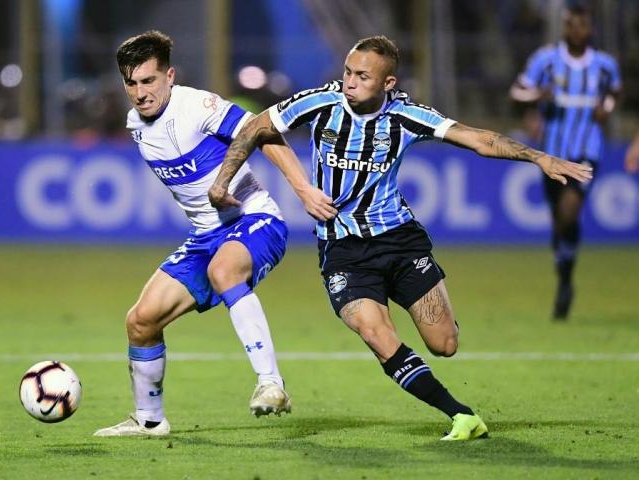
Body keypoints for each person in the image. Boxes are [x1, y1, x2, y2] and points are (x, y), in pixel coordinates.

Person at [208, 35, 592, 440]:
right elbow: (256, 127)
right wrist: (232, 183)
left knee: (444, 344)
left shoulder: (407, 116)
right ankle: (461, 415)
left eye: (362, 76)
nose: (350, 82)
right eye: (347, 72)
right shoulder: (321, 102)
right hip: (343, 250)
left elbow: (478, 138)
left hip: (400, 242)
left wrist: (538, 157)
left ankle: (420, 298)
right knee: (375, 331)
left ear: (388, 83)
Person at [93, 30, 307, 437]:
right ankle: (149, 420)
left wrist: (302, 189)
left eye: (149, 80)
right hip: (206, 236)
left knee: (224, 272)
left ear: (169, 76)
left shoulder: (199, 106)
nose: (140, 93)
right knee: (141, 320)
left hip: (255, 220)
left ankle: (272, 383)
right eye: (132, 83)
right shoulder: (134, 123)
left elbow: (262, 130)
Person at [510, 5, 621, 320]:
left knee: (570, 212)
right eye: (571, 24)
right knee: (559, 220)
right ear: (564, 27)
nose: (576, 30)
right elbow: (517, 92)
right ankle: (564, 272)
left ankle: (565, 283)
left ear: (591, 29)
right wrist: (535, 102)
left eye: (582, 25)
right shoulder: (546, 60)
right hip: (551, 153)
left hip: (588, 151)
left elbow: (615, 91)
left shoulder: (604, 65)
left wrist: (607, 108)